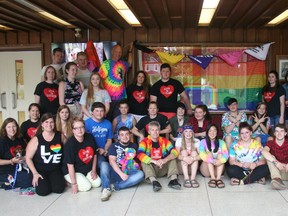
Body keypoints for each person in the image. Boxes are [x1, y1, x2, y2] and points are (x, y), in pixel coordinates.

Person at [26, 113, 66, 196]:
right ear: (42, 124)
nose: (49, 124)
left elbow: (68, 149)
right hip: (40, 170)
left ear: (54, 124)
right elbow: (28, 158)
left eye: (51, 122)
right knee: (43, 192)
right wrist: (35, 173)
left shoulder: (60, 136)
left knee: (59, 189)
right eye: (46, 122)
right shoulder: (36, 139)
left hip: (55, 169)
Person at [101, 126, 144, 201]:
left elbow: (137, 161)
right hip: (114, 171)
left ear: (130, 135)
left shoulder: (134, 146)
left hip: (128, 172)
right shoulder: (113, 146)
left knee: (140, 174)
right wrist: (121, 174)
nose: (125, 137)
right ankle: (106, 188)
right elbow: (112, 161)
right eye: (122, 135)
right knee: (104, 164)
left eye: (127, 134)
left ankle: (115, 186)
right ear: (118, 136)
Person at [137, 121, 181, 192]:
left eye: (157, 130)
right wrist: (154, 161)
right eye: (152, 130)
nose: (155, 132)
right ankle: (154, 182)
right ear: (149, 132)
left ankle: (173, 180)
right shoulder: (144, 141)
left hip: (163, 166)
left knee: (172, 158)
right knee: (144, 161)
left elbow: (174, 152)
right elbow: (139, 154)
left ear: (159, 131)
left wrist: (164, 160)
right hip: (151, 168)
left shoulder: (164, 140)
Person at [62, 117, 101, 194]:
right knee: (86, 187)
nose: (80, 130)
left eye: (81, 127)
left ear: (84, 128)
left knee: (97, 183)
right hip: (73, 171)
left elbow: (95, 155)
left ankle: (84, 178)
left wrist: (93, 170)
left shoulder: (89, 137)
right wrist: (74, 184)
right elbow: (70, 165)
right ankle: (67, 182)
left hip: (86, 169)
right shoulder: (70, 144)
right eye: (76, 128)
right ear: (73, 130)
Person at [98, 44, 133, 121]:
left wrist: (130, 50)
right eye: (116, 51)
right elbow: (100, 79)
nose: (118, 53)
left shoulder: (122, 64)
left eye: (120, 52)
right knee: (108, 119)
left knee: (118, 120)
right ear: (112, 51)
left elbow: (129, 64)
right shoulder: (106, 64)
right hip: (109, 98)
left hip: (121, 97)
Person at [85, 102, 113, 192]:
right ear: (92, 112)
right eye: (97, 111)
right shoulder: (87, 124)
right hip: (92, 154)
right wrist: (97, 150)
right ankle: (106, 187)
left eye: (101, 111)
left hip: (104, 151)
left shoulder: (108, 123)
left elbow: (109, 139)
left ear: (104, 112)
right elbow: (84, 142)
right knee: (104, 164)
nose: (99, 113)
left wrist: (105, 149)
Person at [0, 118, 32, 189]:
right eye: (9, 127)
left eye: (14, 126)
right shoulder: (2, 141)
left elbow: (27, 152)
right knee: (29, 181)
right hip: (5, 170)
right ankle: (4, 183)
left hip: (19, 168)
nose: (12, 129)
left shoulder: (20, 139)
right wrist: (11, 161)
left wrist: (24, 157)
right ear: (4, 128)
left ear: (17, 127)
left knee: (33, 177)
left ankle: (10, 182)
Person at [199, 124, 228, 188]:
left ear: (217, 132)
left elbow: (226, 155)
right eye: (210, 131)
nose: (212, 133)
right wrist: (211, 160)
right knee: (209, 154)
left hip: (218, 171)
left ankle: (218, 179)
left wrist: (220, 161)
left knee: (221, 155)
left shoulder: (222, 142)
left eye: (214, 131)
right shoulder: (203, 142)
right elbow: (201, 154)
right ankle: (212, 178)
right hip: (206, 170)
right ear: (207, 132)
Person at [262, 124, 288, 190]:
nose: (279, 133)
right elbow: (264, 151)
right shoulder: (271, 143)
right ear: (274, 133)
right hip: (277, 171)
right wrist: (277, 163)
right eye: (277, 131)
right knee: (270, 156)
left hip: (286, 170)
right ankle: (277, 180)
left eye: (281, 131)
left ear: (285, 133)